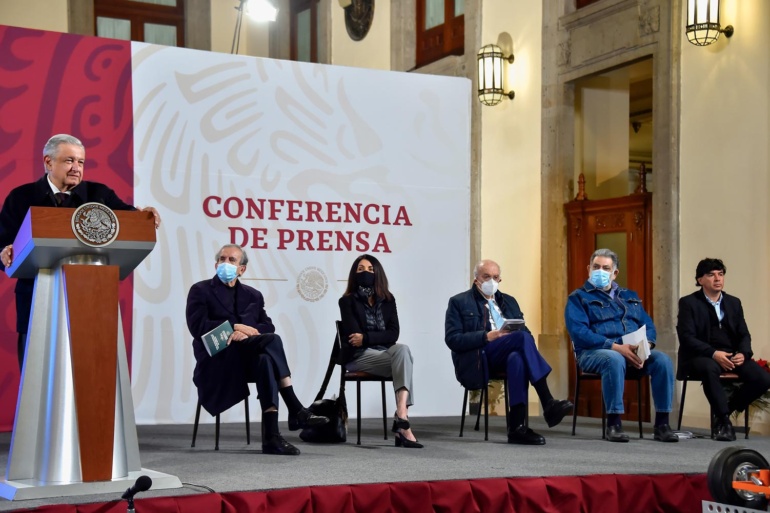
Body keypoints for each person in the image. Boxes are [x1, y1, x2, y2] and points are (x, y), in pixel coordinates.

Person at [0, 134, 161, 370]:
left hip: (91, 302)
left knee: (89, 376)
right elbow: (3, 242)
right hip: (36, 302)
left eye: (81, 162)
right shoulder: (22, 197)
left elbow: (129, 219)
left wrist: (142, 215)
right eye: (69, 161)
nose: (76, 168)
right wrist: (4, 253)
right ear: (48, 162)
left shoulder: (99, 195)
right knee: (38, 375)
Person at [186, 244, 328, 456]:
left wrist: (247, 333)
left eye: (232, 260)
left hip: (247, 357)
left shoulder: (253, 295)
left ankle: (271, 438)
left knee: (264, 359)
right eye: (222, 259)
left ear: (242, 269)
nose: (226, 263)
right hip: (219, 358)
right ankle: (295, 408)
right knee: (273, 342)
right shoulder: (201, 290)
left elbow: (266, 326)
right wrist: (233, 327)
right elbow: (197, 327)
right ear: (215, 264)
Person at [445, 259, 573, 445]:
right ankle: (547, 401)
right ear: (475, 279)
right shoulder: (459, 302)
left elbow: (527, 335)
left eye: (495, 277)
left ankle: (517, 428)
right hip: (480, 356)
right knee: (520, 338)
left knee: (517, 357)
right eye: (486, 277)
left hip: (506, 354)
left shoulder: (509, 302)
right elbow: (453, 339)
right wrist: (486, 336)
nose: (491, 281)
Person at [565, 248, 678, 443]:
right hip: (594, 353)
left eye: (606, 268)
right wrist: (616, 347)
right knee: (614, 358)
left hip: (632, 352)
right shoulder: (578, 298)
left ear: (615, 273)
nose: (600, 271)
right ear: (588, 269)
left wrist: (646, 345)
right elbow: (579, 333)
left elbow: (648, 325)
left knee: (662, 360)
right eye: (596, 267)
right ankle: (614, 423)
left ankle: (662, 424)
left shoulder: (630, 296)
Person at [677, 258, 770, 442]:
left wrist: (743, 354)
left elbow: (744, 334)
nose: (717, 279)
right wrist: (713, 353)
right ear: (700, 279)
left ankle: (724, 412)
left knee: (763, 378)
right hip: (701, 356)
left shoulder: (733, 303)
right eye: (711, 275)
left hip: (731, 355)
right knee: (709, 368)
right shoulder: (688, 303)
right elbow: (687, 338)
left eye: (720, 274)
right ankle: (725, 423)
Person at [338, 254, 422, 448]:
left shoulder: (388, 300)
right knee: (404, 362)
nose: (365, 273)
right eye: (360, 269)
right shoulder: (347, 301)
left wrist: (366, 337)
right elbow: (354, 336)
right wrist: (369, 338)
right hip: (359, 357)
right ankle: (403, 426)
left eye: (370, 269)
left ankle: (401, 414)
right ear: (354, 274)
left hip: (384, 354)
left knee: (403, 350)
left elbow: (393, 334)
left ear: (378, 273)